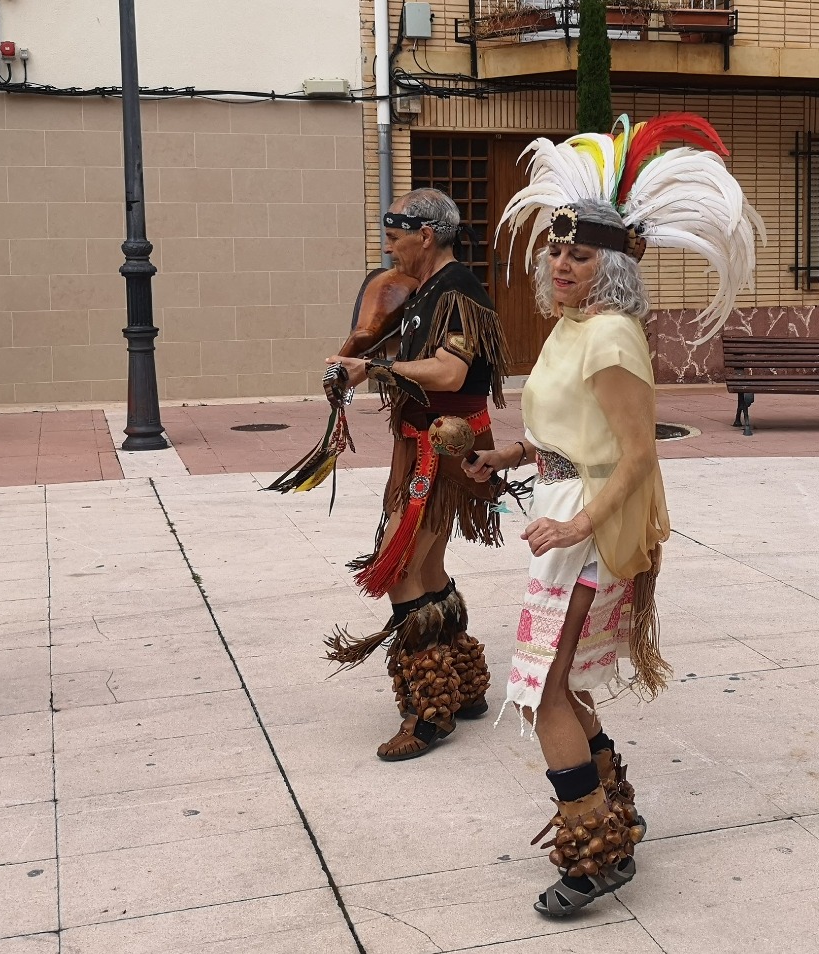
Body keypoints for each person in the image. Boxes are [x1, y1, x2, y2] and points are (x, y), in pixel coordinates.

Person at [472, 115, 762, 916]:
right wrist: (509, 456)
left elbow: (637, 455)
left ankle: (595, 850)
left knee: (543, 690)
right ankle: (613, 819)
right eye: (555, 249)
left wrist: (577, 525)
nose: (561, 263)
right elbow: (574, 436)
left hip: (589, 528)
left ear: (615, 265)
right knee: (565, 684)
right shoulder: (571, 329)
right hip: (566, 510)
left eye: (580, 253)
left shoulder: (610, 337)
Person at [321, 188, 511, 762]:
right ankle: (464, 686)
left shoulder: (456, 291)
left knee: (399, 570)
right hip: (430, 443)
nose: (389, 248)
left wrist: (374, 367)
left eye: (394, 237)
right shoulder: (431, 289)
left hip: (441, 449)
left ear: (425, 235)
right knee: (427, 568)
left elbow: (450, 374)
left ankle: (429, 712)